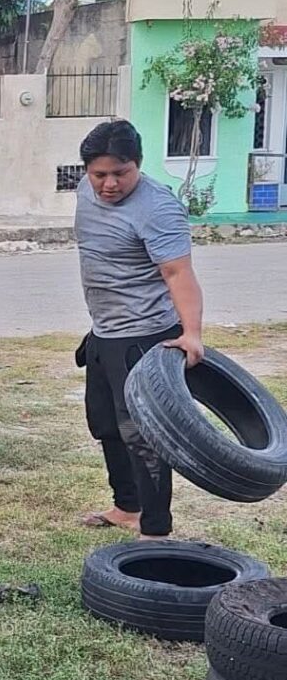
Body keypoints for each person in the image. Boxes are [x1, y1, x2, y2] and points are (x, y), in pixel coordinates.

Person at [75, 120, 204, 540]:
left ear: (139, 164)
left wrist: (191, 333)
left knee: (143, 434)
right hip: (103, 332)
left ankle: (155, 529)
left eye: (121, 173)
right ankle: (127, 506)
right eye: (100, 174)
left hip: (144, 336)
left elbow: (178, 273)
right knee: (105, 424)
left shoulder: (158, 208)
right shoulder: (85, 190)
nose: (109, 184)